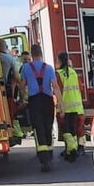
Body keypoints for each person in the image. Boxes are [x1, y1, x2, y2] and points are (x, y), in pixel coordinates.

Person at [19, 44, 59, 172]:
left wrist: (23, 98)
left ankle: (44, 159)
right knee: (48, 127)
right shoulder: (49, 68)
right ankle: (50, 155)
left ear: (31, 54)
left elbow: (22, 85)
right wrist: (61, 104)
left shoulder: (26, 67)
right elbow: (55, 86)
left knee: (38, 128)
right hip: (47, 100)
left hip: (34, 100)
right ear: (41, 54)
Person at [56, 51, 86, 161]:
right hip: (76, 106)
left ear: (59, 61)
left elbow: (56, 90)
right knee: (73, 130)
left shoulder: (58, 73)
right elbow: (81, 88)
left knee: (66, 130)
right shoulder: (73, 72)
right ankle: (71, 151)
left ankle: (72, 150)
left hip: (64, 106)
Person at [0, 39, 24, 146]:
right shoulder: (10, 59)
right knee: (9, 112)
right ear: (5, 47)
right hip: (5, 89)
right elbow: (17, 77)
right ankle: (13, 134)